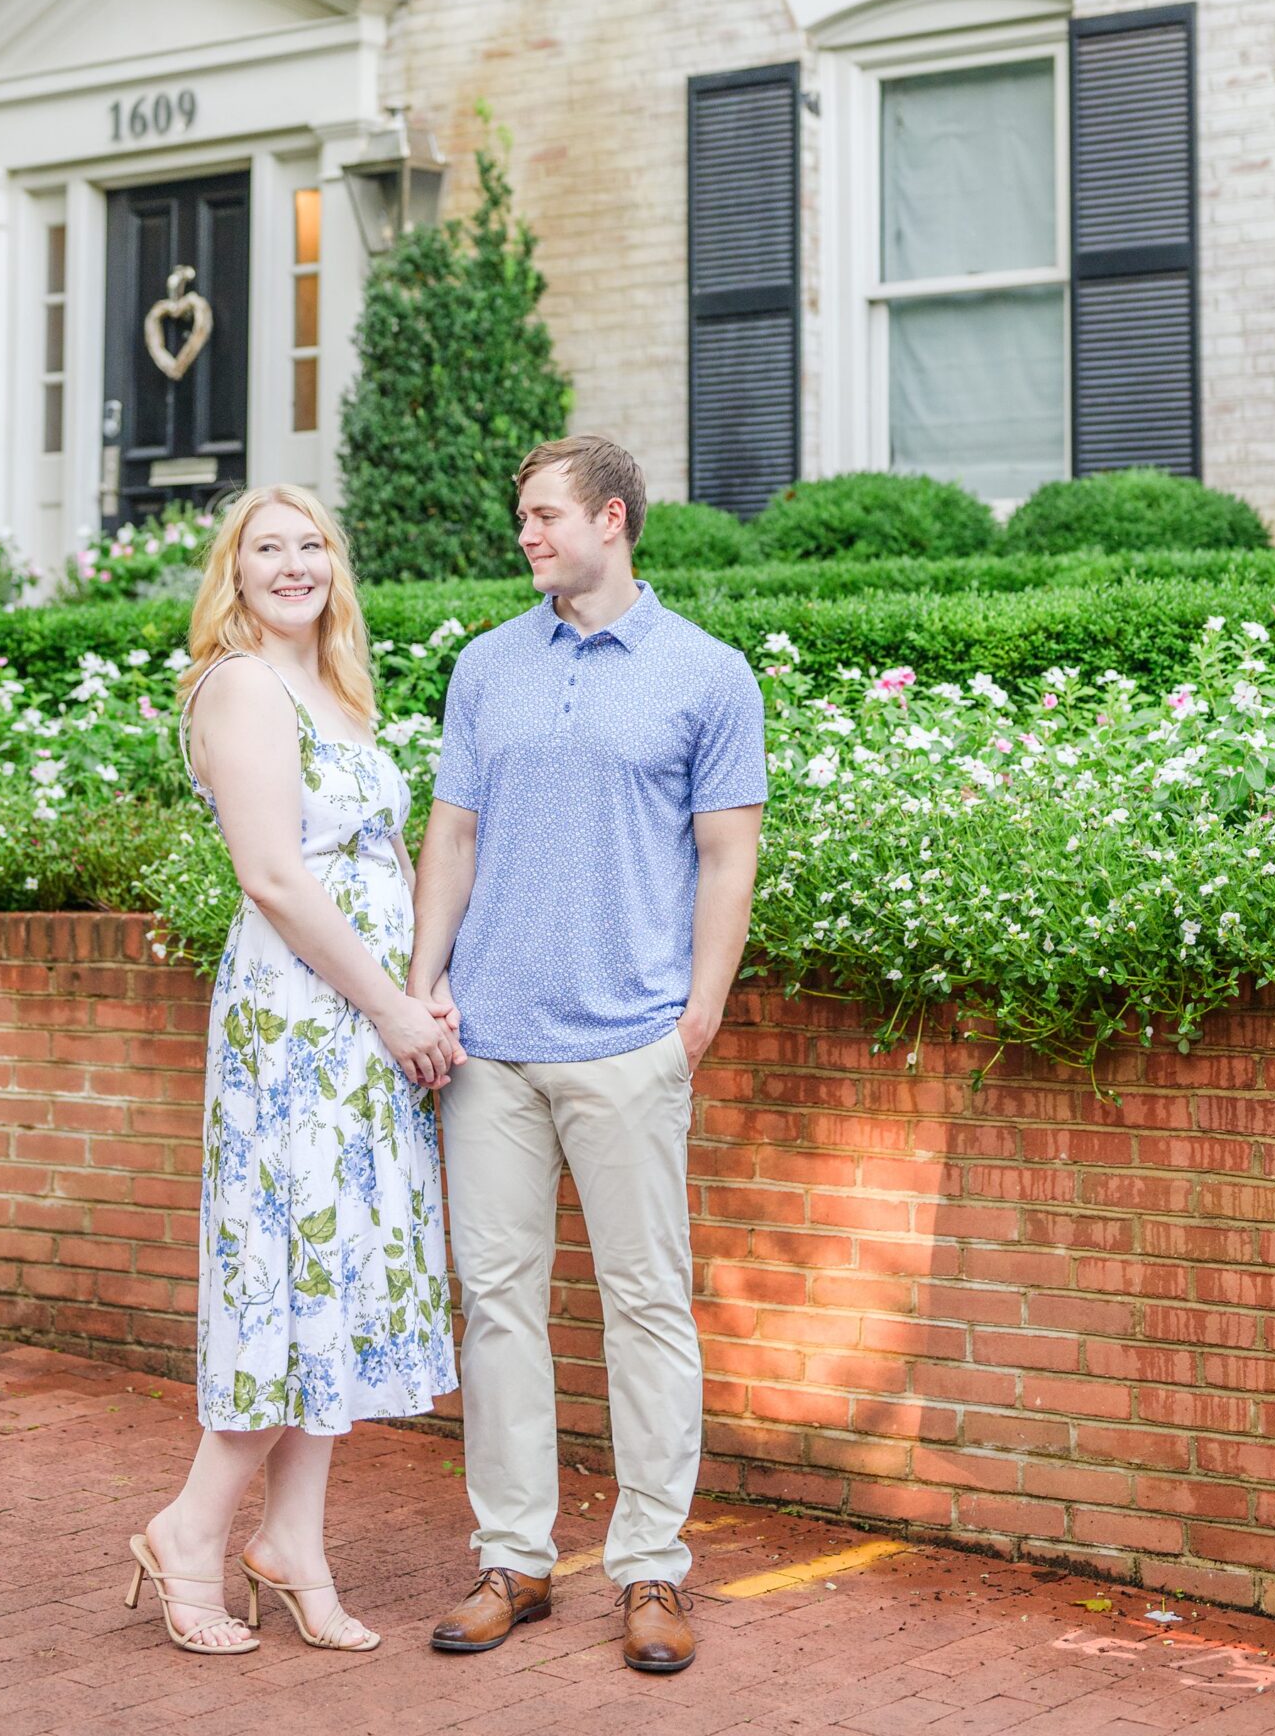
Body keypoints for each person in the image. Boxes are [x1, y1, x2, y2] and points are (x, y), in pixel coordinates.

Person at [410, 435, 765, 1676]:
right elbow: (451, 836)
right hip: (491, 1050)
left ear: (612, 519)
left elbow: (728, 856)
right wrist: (422, 988)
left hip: (628, 1041)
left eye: (545, 515)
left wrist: (697, 1014)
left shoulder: (704, 674)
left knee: (645, 1308)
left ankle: (653, 1567)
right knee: (498, 1308)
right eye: (519, 516)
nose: (526, 534)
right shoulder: (485, 667)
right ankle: (512, 1557)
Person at [126, 485, 459, 1660]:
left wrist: (425, 988)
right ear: (233, 573)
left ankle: (296, 1543)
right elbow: (272, 874)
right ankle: (190, 1530)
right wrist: (388, 1007)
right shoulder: (240, 686)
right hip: (299, 1026)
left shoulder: (338, 692)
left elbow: (389, 862)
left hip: (367, 1022)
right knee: (288, 1269)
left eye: (309, 542)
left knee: (342, 1277)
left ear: (335, 564)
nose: (291, 562)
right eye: (264, 547)